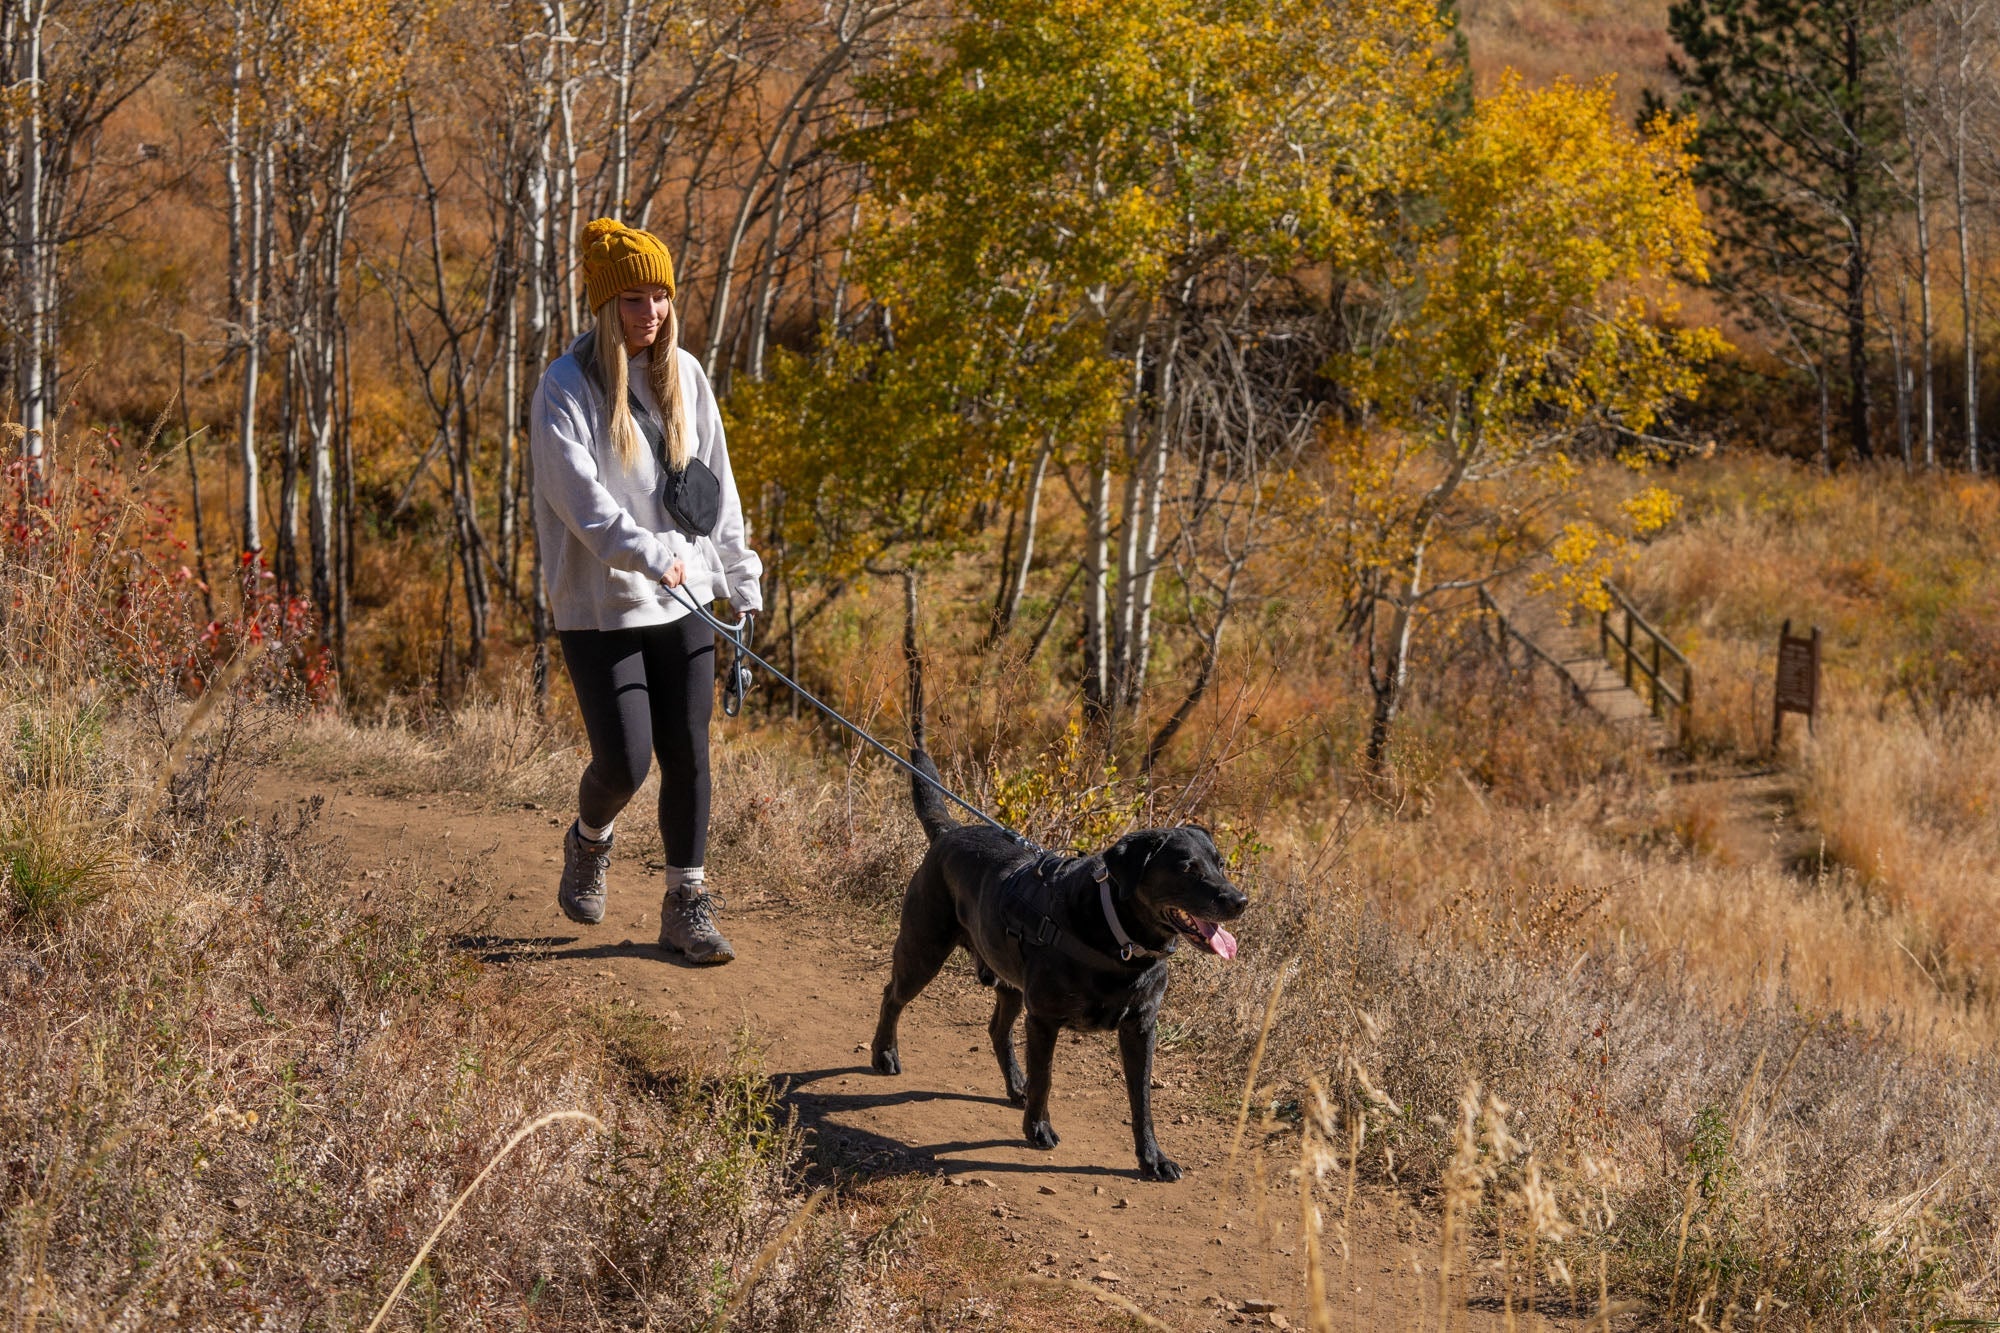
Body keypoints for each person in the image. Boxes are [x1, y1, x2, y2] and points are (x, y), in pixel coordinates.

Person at [529, 217, 762, 964]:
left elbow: (716, 490)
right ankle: (589, 838)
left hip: (685, 598)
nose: (650, 313)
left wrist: (740, 577)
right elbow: (585, 506)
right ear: (604, 305)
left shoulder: (686, 376)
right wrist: (650, 551)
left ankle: (685, 901)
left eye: (660, 296)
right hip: (600, 608)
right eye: (633, 298)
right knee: (626, 761)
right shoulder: (564, 389)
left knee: (687, 749)